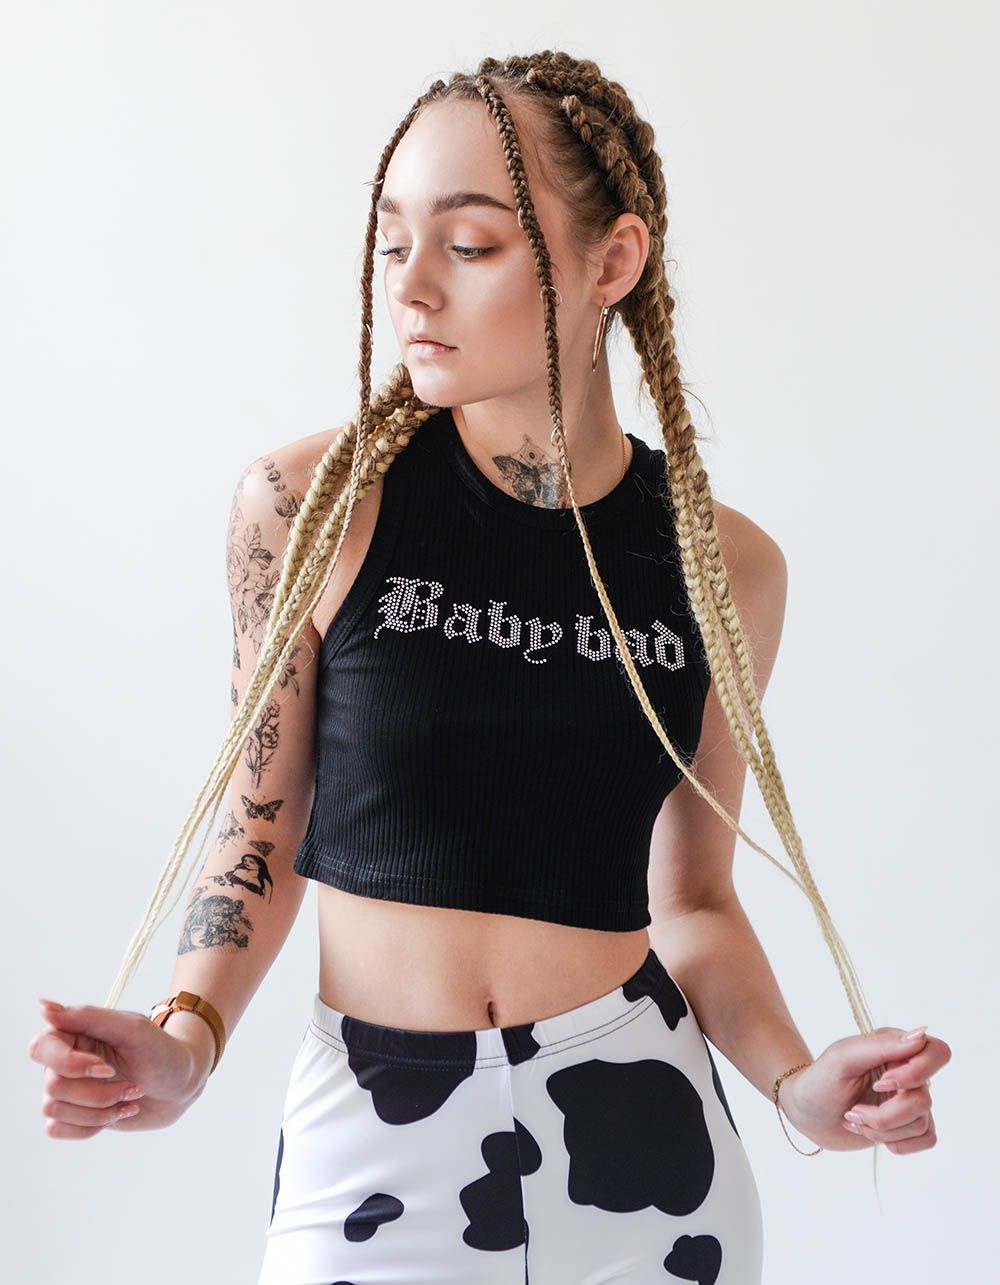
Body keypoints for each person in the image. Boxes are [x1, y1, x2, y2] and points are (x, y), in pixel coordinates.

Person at [29, 51, 950, 1285]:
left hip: (644, 1137)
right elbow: (259, 824)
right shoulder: (310, 509)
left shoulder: (721, 566)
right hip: (375, 1140)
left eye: (469, 245)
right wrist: (185, 1036)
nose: (412, 285)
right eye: (391, 243)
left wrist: (796, 1084)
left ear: (611, 263)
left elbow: (691, 901)